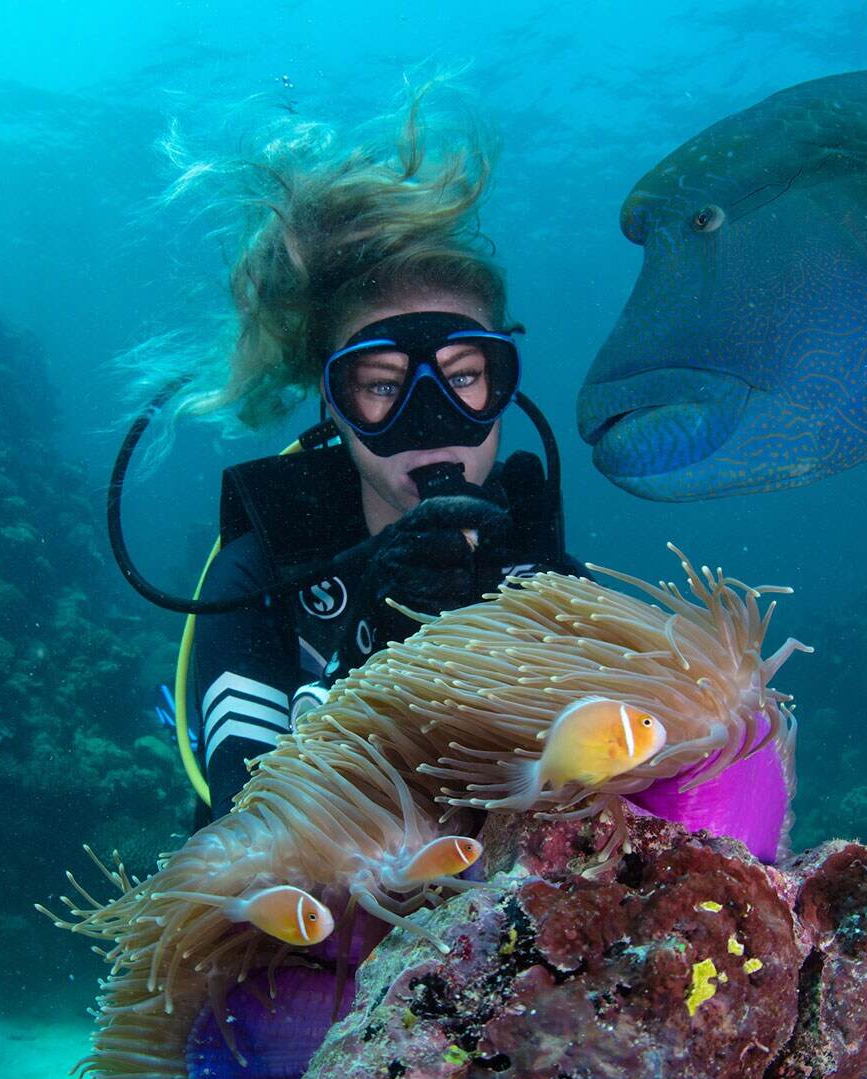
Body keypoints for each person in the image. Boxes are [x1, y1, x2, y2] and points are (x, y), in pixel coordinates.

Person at [134, 90, 577, 825]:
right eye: (382, 386)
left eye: (463, 376)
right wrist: (373, 645)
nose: (431, 422)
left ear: (501, 386)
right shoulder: (263, 575)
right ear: (333, 406)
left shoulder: (533, 557)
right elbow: (255, 832)